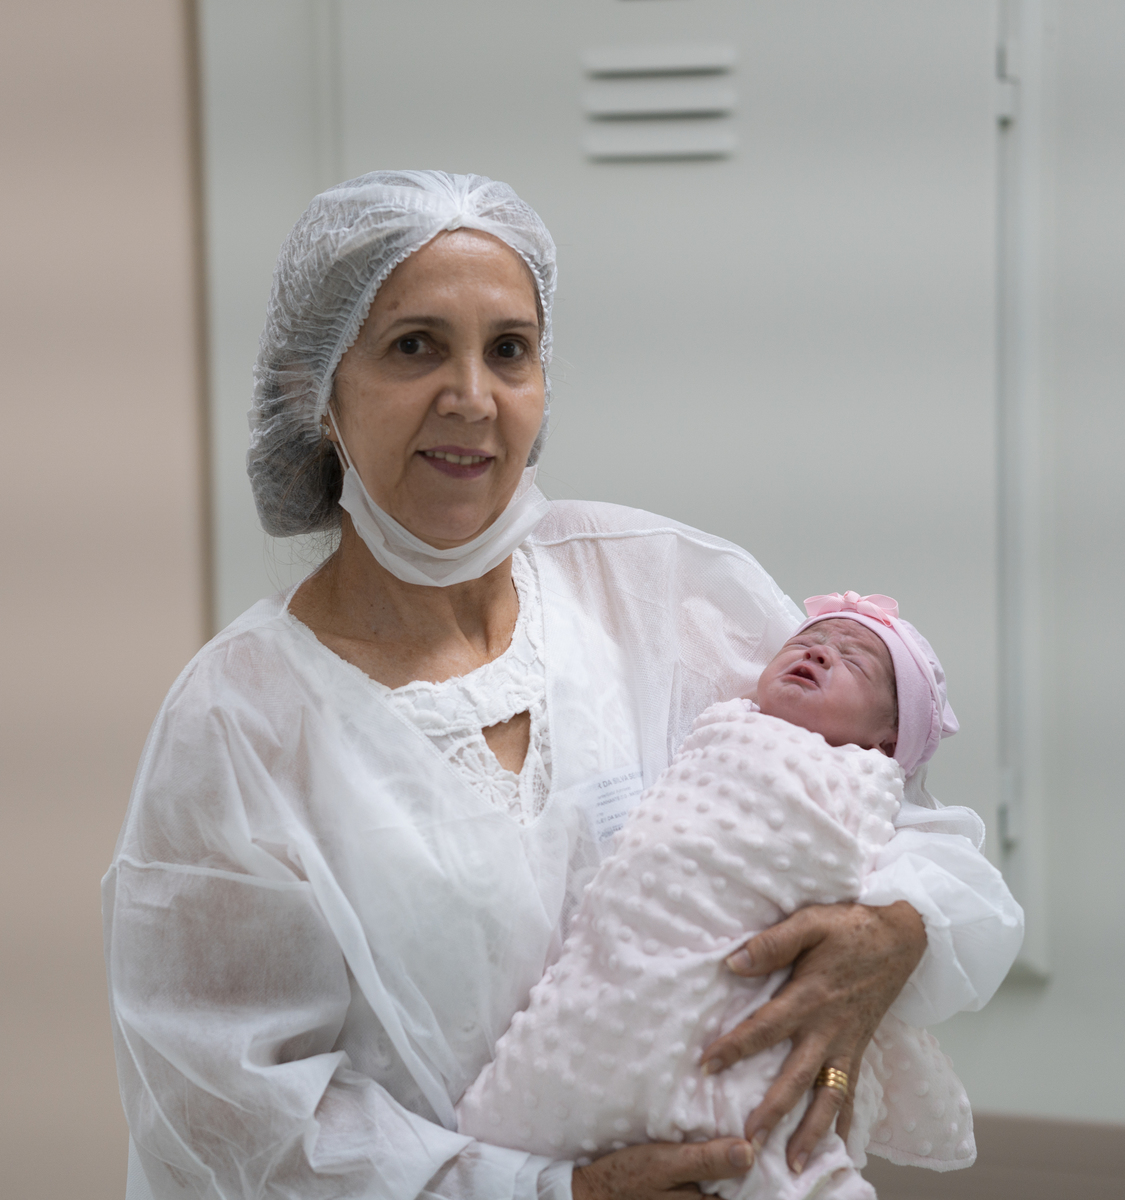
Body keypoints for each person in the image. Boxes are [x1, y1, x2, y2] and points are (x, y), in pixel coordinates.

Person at [102, 172, 1024, 1200]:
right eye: (414, 346)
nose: (472, 398)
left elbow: (900, 820)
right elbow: (230, 1119)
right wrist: (554, 1192)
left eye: (509, 349)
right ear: (313, 393)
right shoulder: (239, 724)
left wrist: (889, 939)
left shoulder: (665, 590)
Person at [457, 595, 988, 1200]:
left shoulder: (868, 782)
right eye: (806, 642)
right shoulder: (720, 725)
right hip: (632, 945)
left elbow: (942, 890)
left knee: (770, 1110)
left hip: (750, 982)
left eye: (854, 661)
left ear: (888, 738)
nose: (819, 652)